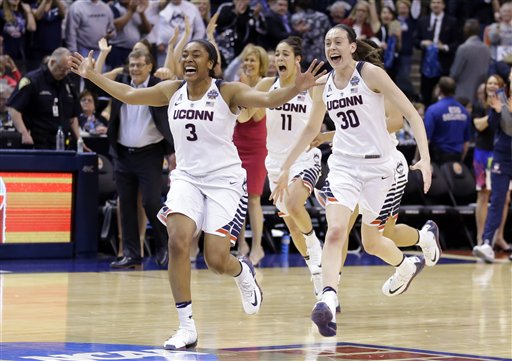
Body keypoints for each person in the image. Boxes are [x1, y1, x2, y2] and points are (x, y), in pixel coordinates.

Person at [69, 38, 325, 349]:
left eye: (196, 55)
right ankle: (185, 326)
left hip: (224, 181)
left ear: (211, 64)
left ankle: (242, 272)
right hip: (187, 178)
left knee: (215, 260)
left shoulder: (227, 91)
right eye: (185, 54)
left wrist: (297, 87)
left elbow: (266, 100)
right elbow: (131, 95)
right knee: (178, 240)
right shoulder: (172, 90)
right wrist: (92, 75)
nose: (188, 59)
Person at [271, 24, 432, 337]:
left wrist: (425, 158)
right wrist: (285, 169)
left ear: (352, 47)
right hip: (344, 166)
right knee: (335, 231)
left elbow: (411, 115)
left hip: (380, 169)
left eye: (338, 41)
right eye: (328, 42)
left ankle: (406, 264)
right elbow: (310, 130)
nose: (332, 47)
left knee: (372, 242)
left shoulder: (370, 74)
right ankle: (328, 299)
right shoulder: (323, 84)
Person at [240, 36, 325, 298]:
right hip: (274, 163)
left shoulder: (313, 86)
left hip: (304, 157)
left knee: (294, 204)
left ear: (298, 59)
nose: (279, 59)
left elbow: (317, 124)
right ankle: (316, 272)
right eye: (277, 54)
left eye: (285, 54)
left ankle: (315, 244)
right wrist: (239, 101)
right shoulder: (267, 85)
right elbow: (246, 117)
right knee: (291, 225)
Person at [233, 44, 268, 266]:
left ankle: (257, 247)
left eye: (252, 60)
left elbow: (251, 115)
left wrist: (243, 89)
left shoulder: (264, 86)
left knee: (253, 199)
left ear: (261, 64)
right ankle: (240, 244)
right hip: (236, 144)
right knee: (236, 197)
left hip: (256, 149)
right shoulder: (239, 85)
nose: (248, 64)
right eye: (245, 60)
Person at [7, 47, 84, 150]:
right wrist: (24, 133)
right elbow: (13, 109)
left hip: (62, 143)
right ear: (52, 62)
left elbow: (73, 117)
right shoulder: (32, 80)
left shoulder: (68, 84)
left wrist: (79, 139)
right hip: (37, 142)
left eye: (67, 70)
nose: (65, 73)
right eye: (62, 69)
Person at [472, 71, 512, 263]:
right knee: (496, 198)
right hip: (502, 152)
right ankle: (487, 242)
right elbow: (493, 126)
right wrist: (495, 112)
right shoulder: (500, 96)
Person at [423, 76, 471, 165]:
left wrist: (418, 159)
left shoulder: (433, 110)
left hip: (438, 159)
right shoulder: (464, 111)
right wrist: (460, 161)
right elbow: (466, 143)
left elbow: (425, 140)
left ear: (439, 89)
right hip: (457, 158)